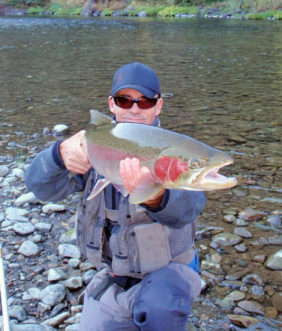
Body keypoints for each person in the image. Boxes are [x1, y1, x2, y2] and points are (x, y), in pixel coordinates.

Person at [25, 62, 206, 331]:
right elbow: (41, 189)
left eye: (144, 102)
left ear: (159, 106)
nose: (134, 109)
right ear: (111, 104)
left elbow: (189, 208)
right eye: (125, 100)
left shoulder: (177, 151)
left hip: (170, 274)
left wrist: (154, 196)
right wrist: (58, 155)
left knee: (161, 308)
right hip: (116, 277)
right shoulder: (94, 145)